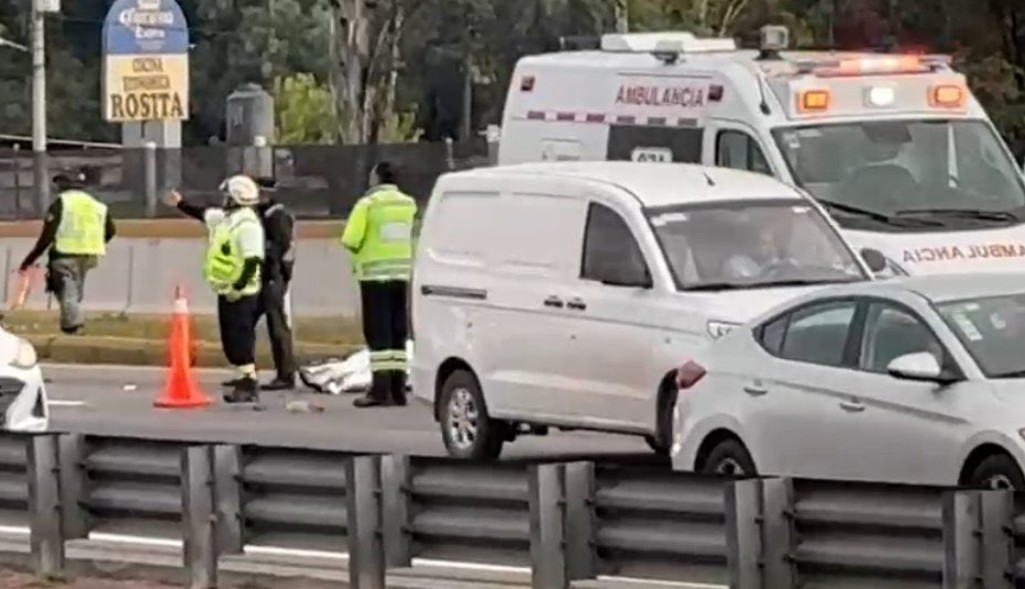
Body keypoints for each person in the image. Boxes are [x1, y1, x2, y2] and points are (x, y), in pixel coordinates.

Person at [165, 176, 265, 403]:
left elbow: (252, 261)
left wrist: (238, 287)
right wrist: (180, 203)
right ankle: (243, 377)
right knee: (230, 340)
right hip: (227, 289)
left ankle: (249, 382)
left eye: (227, 195)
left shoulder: (247, 225)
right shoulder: (227, 219)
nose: (224, 199)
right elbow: (203, 214)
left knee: (241, 338)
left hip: (242, 292)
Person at [341, 161, 417, 408]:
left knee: (378, 333)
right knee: (398, 332)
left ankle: (380, 389)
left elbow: (351, 239)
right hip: (401, 273)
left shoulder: (368, 205)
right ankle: (399, 389)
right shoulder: (408, 203)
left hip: (374, 275)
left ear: (376, 179)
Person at [19, 170, 116, 335]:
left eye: (59, 184)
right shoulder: (97, 205)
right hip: (89, 255)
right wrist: (96, 243)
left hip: (64, 254)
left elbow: (47, 235)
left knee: (66, 290)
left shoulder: (61, 202)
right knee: (74, 291)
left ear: (64, 185)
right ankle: (72, 322)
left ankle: (73, 326)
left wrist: (29, 259)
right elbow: (111, 230)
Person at [253, 179, 297, 391]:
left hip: (273, 276)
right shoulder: (262, 213)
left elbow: (281, 246)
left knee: (277, 324)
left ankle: (286, 374)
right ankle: (246, 372)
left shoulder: (276, 214)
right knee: (245, 323)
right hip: (264, 275)